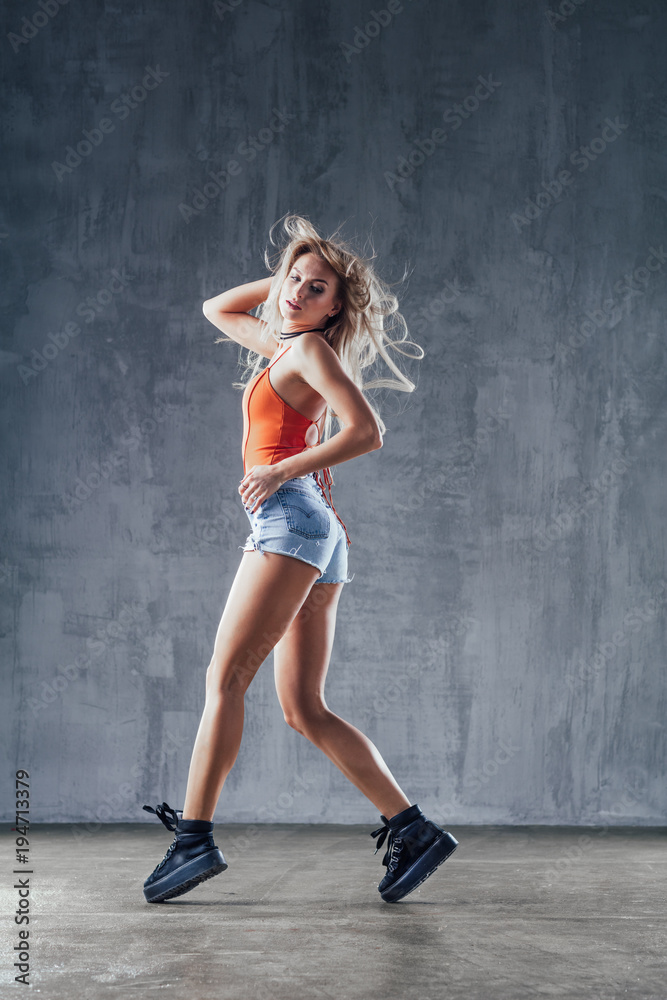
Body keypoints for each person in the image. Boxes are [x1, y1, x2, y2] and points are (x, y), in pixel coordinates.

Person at [142, 214, 458, 905]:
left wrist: (284, 471)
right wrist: (299, 272)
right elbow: (215, 307)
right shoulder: (282, 345)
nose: (295, 294)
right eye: (293, 281)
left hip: (291, 524)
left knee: (223, 680)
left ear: (334, 307)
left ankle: (193, 839)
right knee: (303, 708)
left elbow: (366, 433)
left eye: (316, 290)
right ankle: (413, 829)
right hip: (319, 532)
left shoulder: (310, 351)